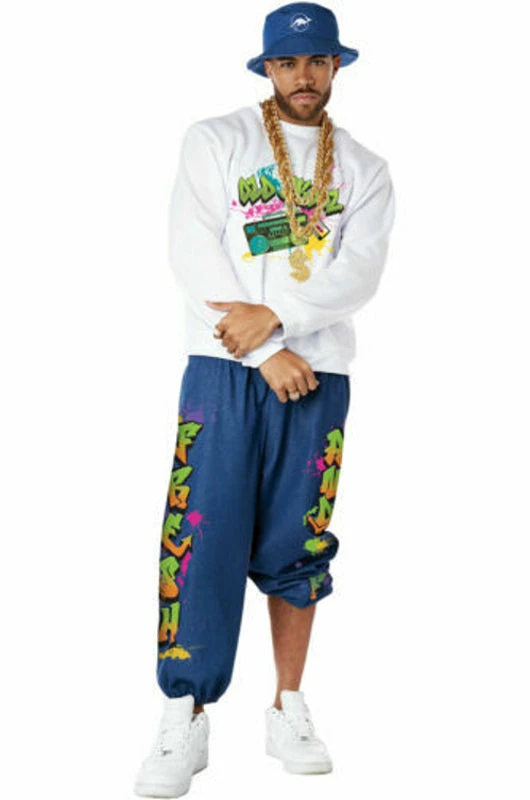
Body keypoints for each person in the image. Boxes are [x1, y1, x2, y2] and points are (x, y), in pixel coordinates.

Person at [134, 2, 396, 796]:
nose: (303, 76)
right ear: (268, 68)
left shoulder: (366, 168)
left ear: (336, 66)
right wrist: (264, 350)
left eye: (316, 62)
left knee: (298, 540)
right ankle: (184, 712)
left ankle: (288, 704)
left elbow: (360, 273)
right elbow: (192, 248)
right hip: (224, 369)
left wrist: (283, 325)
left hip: (319, 376)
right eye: (288, 63)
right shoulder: (216, 140)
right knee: (201, 532)